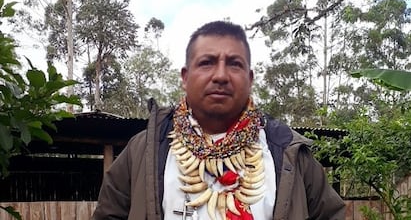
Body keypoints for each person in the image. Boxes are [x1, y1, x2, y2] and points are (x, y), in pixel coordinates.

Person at [92, 20, 345, 220]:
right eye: (207, 63)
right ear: (185, 76)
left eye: (234, 64)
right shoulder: (143, 150)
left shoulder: (287, 149)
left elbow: (331, 214)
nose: (221, 75)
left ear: (250, 77)